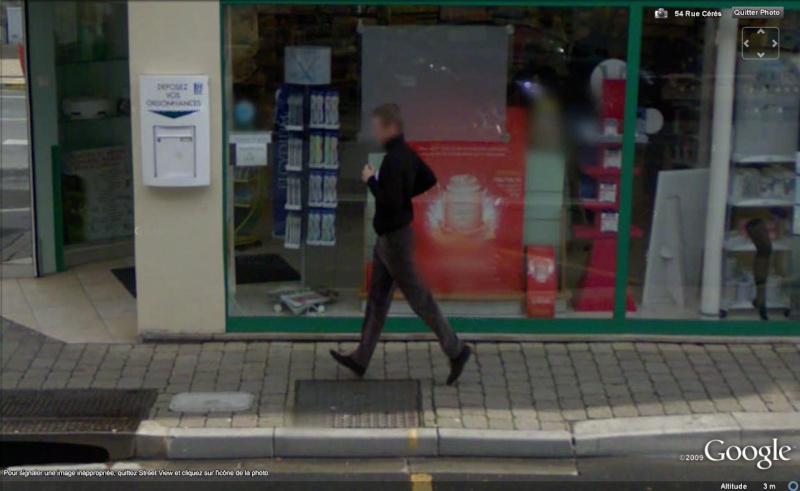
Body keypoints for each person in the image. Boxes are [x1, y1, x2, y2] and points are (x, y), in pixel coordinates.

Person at [330, 103, 472, 385]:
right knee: (377, 300)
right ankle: (361, 358)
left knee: (419, 299)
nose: (375, 131)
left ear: (390, 127)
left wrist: (371, 180)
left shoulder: (394, 160)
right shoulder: (406, 154)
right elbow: (428, 179)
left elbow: (388, 201)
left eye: (378, 127)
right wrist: (405, 194)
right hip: (390, 239)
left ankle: (456, 349)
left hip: (395, 239)